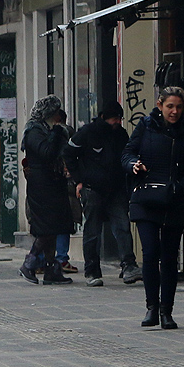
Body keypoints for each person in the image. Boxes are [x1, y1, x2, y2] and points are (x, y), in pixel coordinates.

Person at [124, 87, 184, 328]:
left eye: (179, 107)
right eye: (170, 106)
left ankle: (166, 311)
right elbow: (127, 153)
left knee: (169, 257)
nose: (174, 111)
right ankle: (151, 306)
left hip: (173, 199)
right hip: (147, 197)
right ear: (160, 105)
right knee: (150, 253)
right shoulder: (146, 126)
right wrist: (133, 165)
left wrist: (181, 187)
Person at [66, 102, 138, 286]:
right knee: (92, 231)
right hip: (92, 189)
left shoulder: (120, 134)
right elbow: (68, 153)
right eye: (115, 118)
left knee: (122, 226)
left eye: (120, 118)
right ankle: (92, 271)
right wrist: (79, 180)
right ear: (105, 117)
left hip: (116, 189)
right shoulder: (87, 132)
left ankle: (129, 265)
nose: (118, 122)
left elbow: (126, 155)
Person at [18, 96, 75, 287]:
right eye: (57, 113)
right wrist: (58, 133)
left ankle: (52, 269)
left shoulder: (50, 130)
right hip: (42, 186)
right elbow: (47, 152)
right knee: (46, 227)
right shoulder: (35, 131)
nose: (60, 117)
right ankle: (30, 262)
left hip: (54, 184)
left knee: (54, 227)